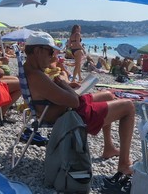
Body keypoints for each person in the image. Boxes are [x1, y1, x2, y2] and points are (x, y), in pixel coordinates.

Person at [24, 31, 135, 180]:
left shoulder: (31, 70)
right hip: (71, 117)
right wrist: (64, 84)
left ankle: (108, 147)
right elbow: (74, 101)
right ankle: (124, 163)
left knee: (108, 95)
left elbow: (58, 95)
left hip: (62, 109)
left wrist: (66, 86)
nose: (53, 56)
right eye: (51, 52)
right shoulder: (36, 76)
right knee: (128, 106)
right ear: (37, 51)